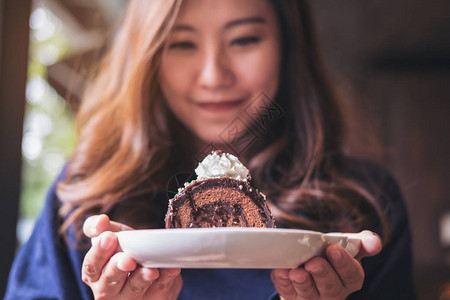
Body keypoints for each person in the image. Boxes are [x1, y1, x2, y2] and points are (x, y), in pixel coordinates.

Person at [5, 0, 416, 299]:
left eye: (244, 39)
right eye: (182, 43)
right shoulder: (85, 199)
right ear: (147, 58)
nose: (213, 74)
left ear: (289, 48)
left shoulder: (362, 203)